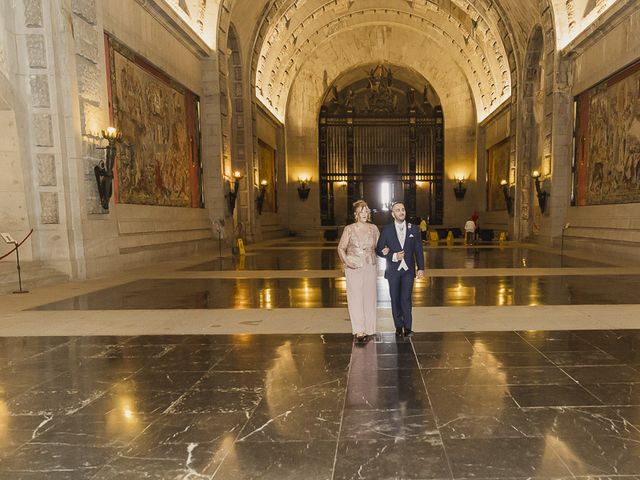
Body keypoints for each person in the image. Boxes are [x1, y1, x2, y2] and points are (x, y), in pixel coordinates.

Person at [337, 200, 385, 342]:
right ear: (356, 214)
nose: (364, 213)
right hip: (354, 266)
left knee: (370, 296)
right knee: (355, 297)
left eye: (366, 211)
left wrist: (387, 250)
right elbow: (341, 248)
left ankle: (370, 328)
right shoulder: (349, 229)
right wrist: (347, 262)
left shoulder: (374, 228)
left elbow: (380, 246)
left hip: (370, 264)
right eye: (361, 211)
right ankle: (359, 330)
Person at [376, 201, 425, 337]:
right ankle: (398, 326)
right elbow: (379, 250)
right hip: (393, 271)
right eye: (397, 210)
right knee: (395, 298)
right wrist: (392, 256)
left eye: (403, 209)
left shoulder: (414, 229)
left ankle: (408, 327)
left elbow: (418, 250)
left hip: (408, 271)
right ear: (393, 214)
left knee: (406, 298)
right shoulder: (386, 230)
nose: (401, 212)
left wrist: (421, 268)